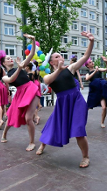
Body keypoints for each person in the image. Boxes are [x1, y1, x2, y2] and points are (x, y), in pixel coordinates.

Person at [36, 31, 94, 168]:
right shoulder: (47, 75)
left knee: (79, 130)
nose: (60, 57)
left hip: (76, 101)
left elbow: (86, 56)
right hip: (62, 103)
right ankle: (42, 145)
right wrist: (59, 69)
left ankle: (85, 157)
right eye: (57, 56)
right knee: (52, 125)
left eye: (61, 55)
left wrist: (91, 41)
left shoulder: (71, 68)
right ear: (51, 62)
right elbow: (49, 80)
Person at [0, 34, 40, 151]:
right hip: (20, 94)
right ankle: (4, 134)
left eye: (10, 58)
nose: (10, 59)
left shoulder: (21, 66)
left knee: (28, 118)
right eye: (7, 59)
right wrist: (19, 68)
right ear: (3, 63)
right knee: (11, 115)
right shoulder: (5, 77)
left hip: (31, 89)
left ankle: (32, 142)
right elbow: (11, 79)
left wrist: (33, 40)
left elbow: (31, 54)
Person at [85, 56, 107, 128]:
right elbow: (87, 78)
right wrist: (95, 71)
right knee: (87, 108)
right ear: (87, 65)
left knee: (104, 108)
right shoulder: (88, 73)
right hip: (94, 92)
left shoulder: (98, 69)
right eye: (90, 62)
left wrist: (106, 62)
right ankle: (81, 120)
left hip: (101, 91)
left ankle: (102, 122)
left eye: (92, 61)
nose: (92, 62)